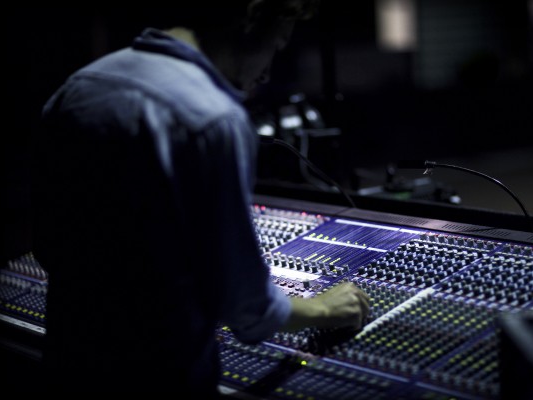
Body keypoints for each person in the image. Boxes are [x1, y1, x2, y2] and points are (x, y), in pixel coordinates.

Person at [32, 1, 370, 394]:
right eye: (276, 46)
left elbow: (47, 246)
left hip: (66, 368)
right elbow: (248, 310)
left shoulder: (80, 86)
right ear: (251, 16)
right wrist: (325, 308)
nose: (266, 72)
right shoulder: (212, 117)